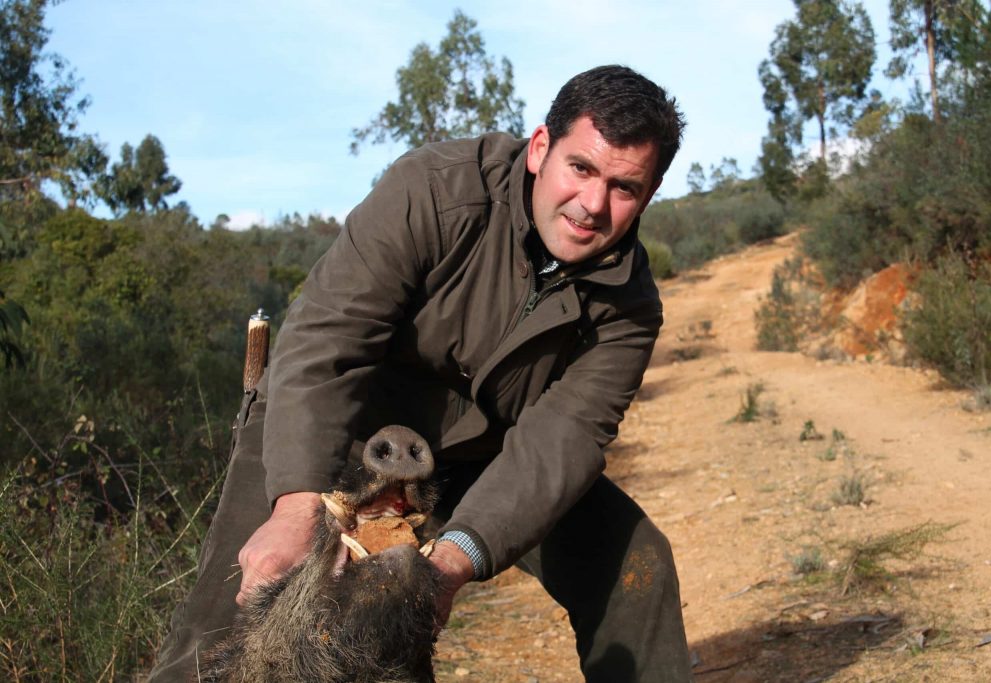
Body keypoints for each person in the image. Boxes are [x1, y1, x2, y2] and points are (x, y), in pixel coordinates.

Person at [151, 64, 692, 682]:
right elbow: (327, 338)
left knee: (635, 565)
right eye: (582, 168)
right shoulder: (434, 188)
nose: (593, 205)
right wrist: (297, 506)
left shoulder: (631, 306)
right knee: (222, 626)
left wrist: (455, 559)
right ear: (542, 148)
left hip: (484, 461)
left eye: (625, 187)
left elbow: (562, 442)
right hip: (334, 430)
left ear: (649, 194)